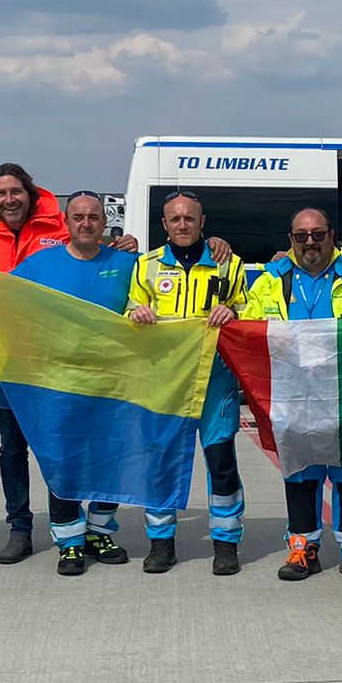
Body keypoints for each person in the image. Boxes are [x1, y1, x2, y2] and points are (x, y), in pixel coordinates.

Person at [245, 208, 342, 582]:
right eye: (301, 236)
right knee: (300, 470)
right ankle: (302, 546)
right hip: (292, 393)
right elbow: (249, 329)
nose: (310, 242)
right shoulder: (268, 282)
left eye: (317, 234)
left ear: (331, 234)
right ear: (290, 239)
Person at [14, 191, 138, 576]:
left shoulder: (127, 263)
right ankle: (69, 540)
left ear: (105, 223)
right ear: (66, 223)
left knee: (109, 457)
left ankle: (100, 531)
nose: (86, 224)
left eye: (94, 217)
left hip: (112, 382)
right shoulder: (39, 265)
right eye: (78, 217)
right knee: (62, 459)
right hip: (58, 383)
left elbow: (158, 295)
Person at [126, 190, 248, 576]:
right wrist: (136, 311)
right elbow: (129, 307)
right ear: (164, 224)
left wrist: (234, 310)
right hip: (164, 380)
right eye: (175, 219)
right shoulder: (145, 266)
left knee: (221, 462)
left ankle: (226, 543)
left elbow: (250, 307)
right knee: (161, 461)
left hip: (214, 379)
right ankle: (161, 544)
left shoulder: (230, 265)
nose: (182, 224)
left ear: (202, 221)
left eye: (189, 218)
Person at [0, 163, 71, 564]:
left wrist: (123, 244)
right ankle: (19, 529)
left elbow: (92, 251)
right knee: (12, 448)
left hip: (51, 358)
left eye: (16, 192)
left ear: (30, 193)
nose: (9, 200)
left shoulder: (59, 228)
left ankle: (66, 529)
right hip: (0, 357)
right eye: (1, 193)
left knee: (57, 444)